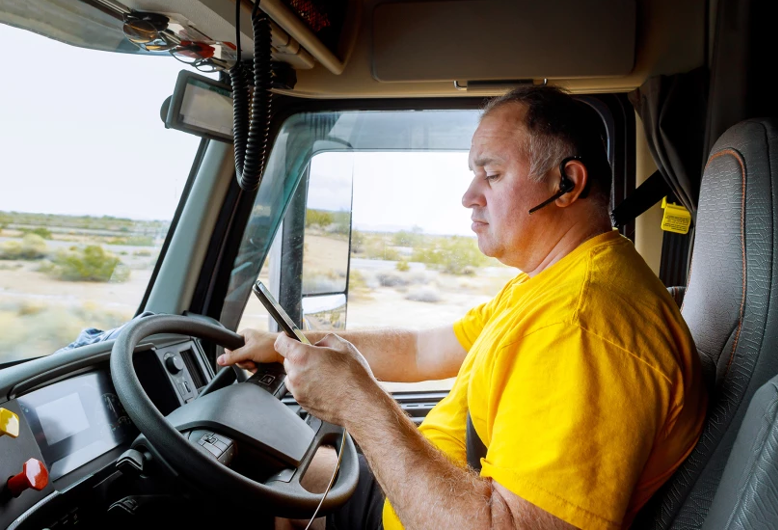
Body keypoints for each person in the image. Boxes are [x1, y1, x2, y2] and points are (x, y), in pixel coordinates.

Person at [218, 86, 708, 530]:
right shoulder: (552, 283)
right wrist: (293, 347)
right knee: (274, 468)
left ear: (567, 184)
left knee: (244, 485)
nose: (468, 196)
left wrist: (358, 404)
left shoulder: (581, 324)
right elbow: (421, 349)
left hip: (443, 509)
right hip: (436, 489)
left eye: (491, 175)